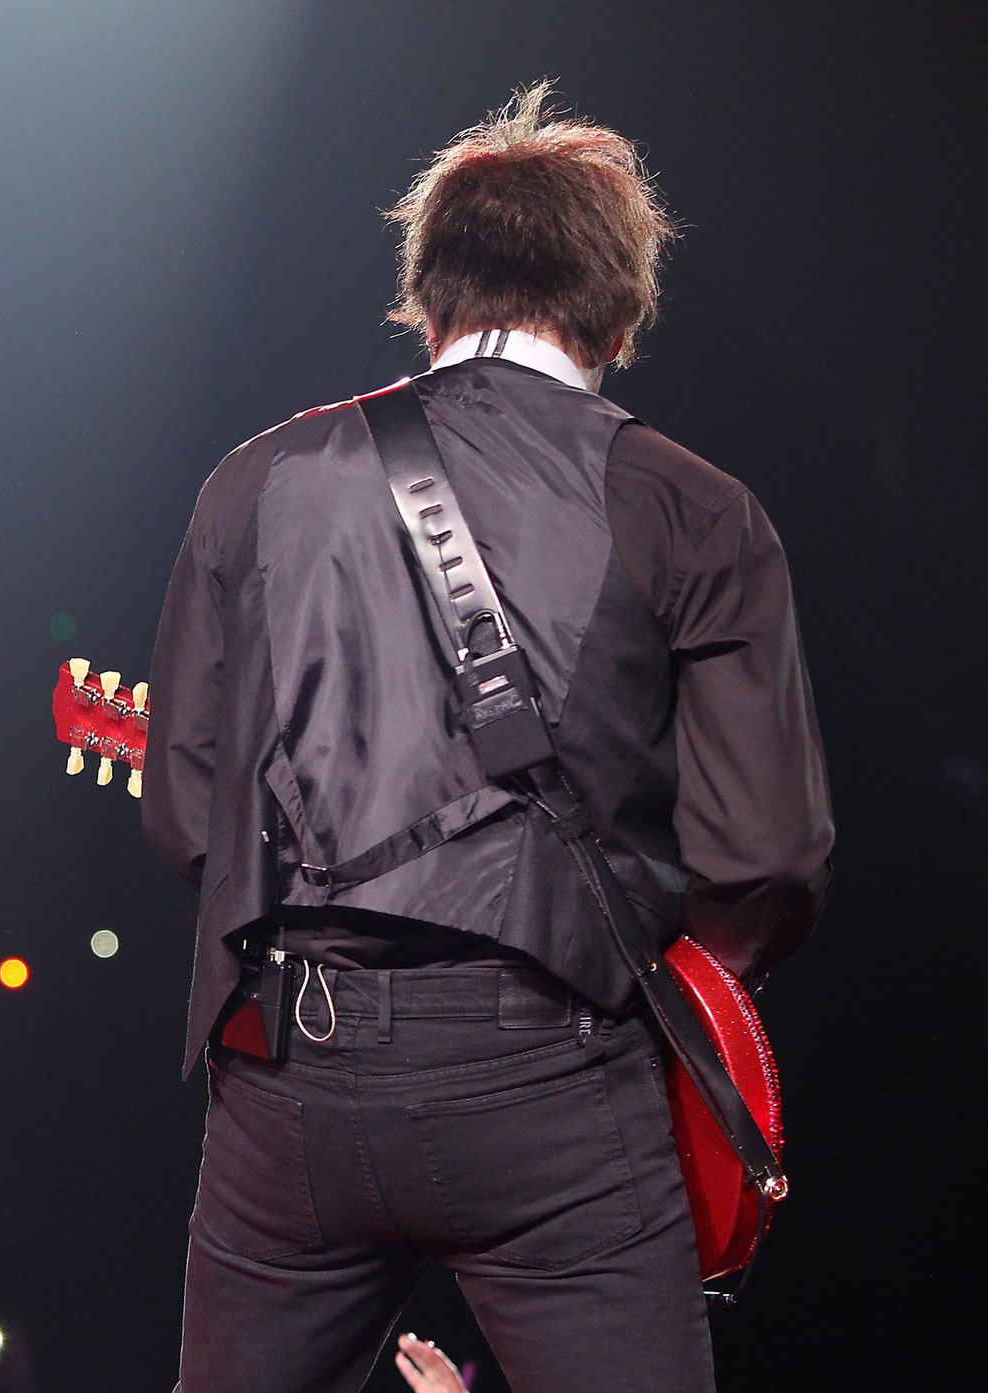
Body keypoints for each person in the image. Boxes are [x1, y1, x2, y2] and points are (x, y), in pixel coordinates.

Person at [141, 84, 832, 1393]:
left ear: (428, 296)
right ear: (618, 308)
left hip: (290, 1079)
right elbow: (769, 859)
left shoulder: (255, 481)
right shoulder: (688, 508)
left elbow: (186, 816)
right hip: (556, 1082)